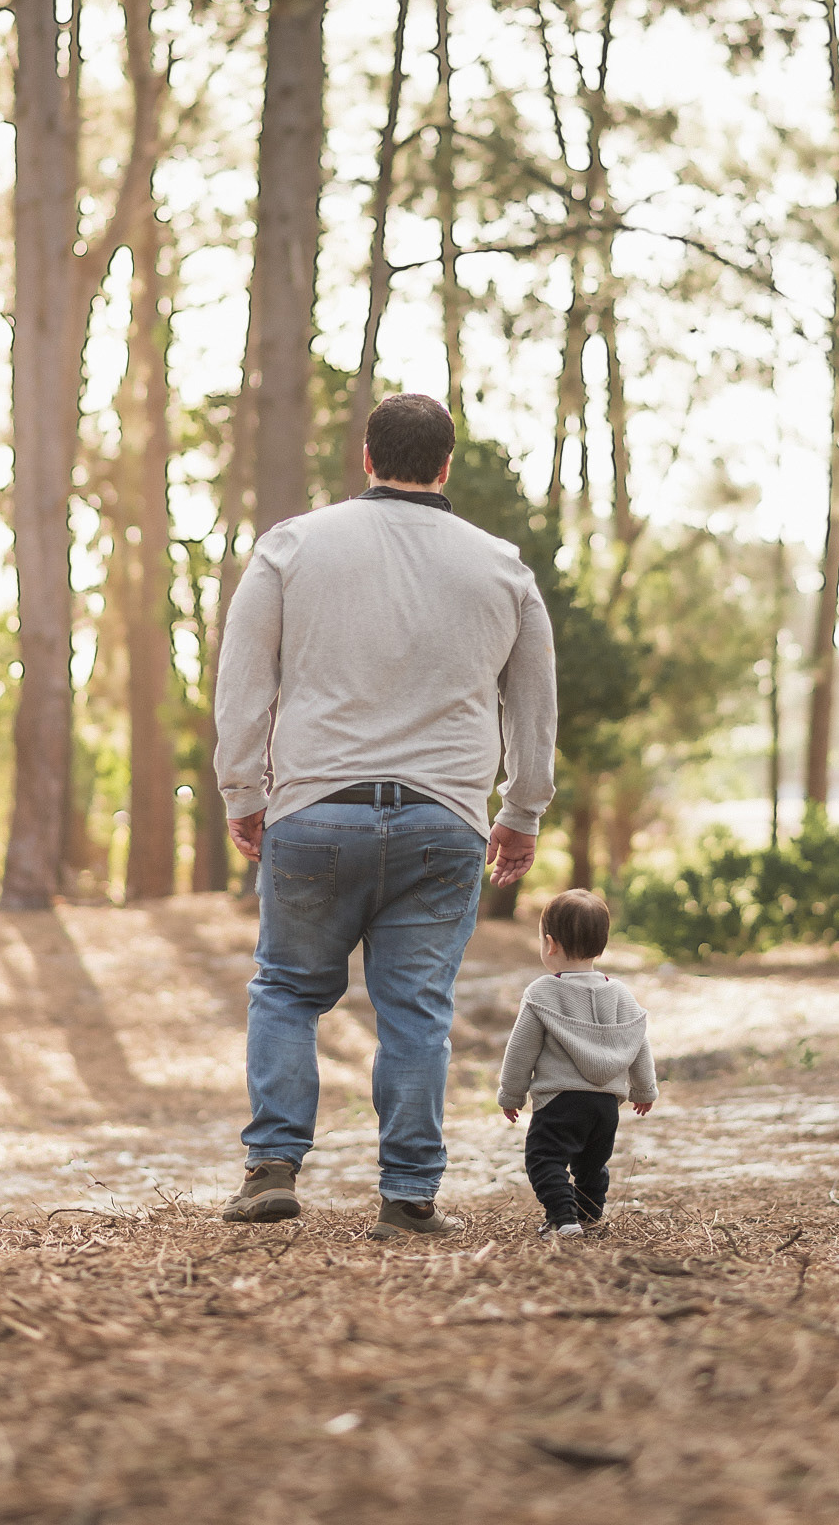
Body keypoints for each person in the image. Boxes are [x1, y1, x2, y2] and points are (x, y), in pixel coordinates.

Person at [213, 392, 558, 1238]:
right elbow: (534, 705)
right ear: (446, 466)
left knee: (289, 992)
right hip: (444, 821)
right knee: (415, 1010)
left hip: (315, 811)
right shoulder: (502, 567)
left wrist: (242, 794)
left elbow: (243, 684)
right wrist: (523, 808)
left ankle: (271, 1167)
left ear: (365, 457)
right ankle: (407, 1196)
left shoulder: (293, 546)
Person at [498, 888, 657, 1235]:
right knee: (592, 1164)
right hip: (605, 1105)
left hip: (560, 1101)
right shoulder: (620, 993)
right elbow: (637, 1039)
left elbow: (520, 1050)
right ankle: (588, 1216)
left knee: (544, 1159)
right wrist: (644, 1088)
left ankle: (564, 1218)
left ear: (550, 944)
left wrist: (511, 1095)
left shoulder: (543, 992)